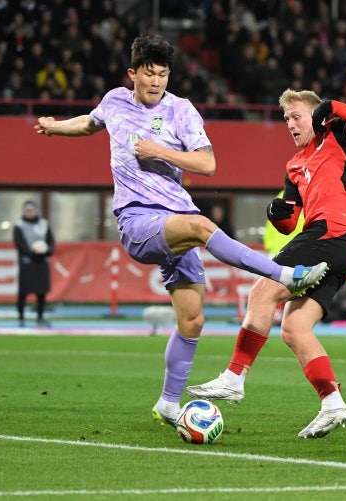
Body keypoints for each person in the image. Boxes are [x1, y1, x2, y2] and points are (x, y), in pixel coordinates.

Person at [33, 35, 328, 428]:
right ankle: (283, 275)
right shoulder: (114, 101)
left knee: (192, 320)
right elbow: (89, 122)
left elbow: (207, 164)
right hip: (138, 219)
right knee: (202, 225)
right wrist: (55, 127)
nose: (156, 82)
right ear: (132, 74)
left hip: (176, 217)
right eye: (149, 74)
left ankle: (169, 404)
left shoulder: (182, 110)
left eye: (164, 74)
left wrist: (161, 152)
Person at [186, 89, 346, 439]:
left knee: (262, 292)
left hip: (331, 234)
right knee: (294, 329)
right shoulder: (294, 165)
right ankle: (333, 402)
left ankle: (234, 378)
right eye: (286, 119)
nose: (290, 124)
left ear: (316, 114)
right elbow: (289, 222)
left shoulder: (339, 135)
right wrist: (276, 216)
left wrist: (333, 107)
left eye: (296, 116)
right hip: (337, 244)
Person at [13, 200, 54, 328]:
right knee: (24, 291)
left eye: (32, 210)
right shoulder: (19, 226)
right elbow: (19, 244)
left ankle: (40, 317)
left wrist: (46, 251)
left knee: (41, 291)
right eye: (27, 210)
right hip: (27, 262)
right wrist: (32, 253)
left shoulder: (44, 224)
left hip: (41, 262)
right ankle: (21, 317)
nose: (30, 213)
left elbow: (51, 242)